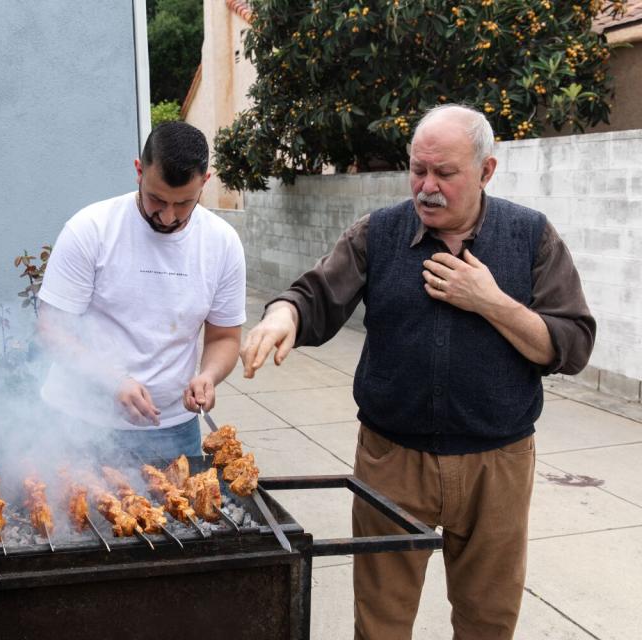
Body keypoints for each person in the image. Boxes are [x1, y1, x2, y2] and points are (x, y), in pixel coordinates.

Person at [240, 104, 595, 639]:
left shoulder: (530, 237)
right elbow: (317, 294)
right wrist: (283, 312)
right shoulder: (378, 233)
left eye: (445, 173)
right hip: (391, 462)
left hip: (496, 465)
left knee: (488, 621)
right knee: (380, 624)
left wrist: (491, 302)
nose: (426, 187)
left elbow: (572, 345)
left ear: (486, 171)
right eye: (418, 170)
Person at [37, 121, 246, 460]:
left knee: (179, 512)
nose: (167, 216)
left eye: (183, 204)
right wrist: (112, 381)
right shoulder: (91, 229)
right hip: (79, 423)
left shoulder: (222, 243)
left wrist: (208, 376)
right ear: (139, 170)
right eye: (156, 199)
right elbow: (52, 329)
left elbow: (224, 337)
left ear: (205, 183)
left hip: (173, 429)